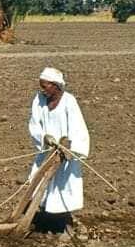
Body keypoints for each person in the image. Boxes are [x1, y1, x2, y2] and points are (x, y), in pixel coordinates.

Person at [27, 67, 90, 235]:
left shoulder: (69, 101)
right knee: (37, 182)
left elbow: (78, 129)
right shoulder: (39, 100)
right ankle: (44, 220)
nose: (42, 90)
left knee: (62, 187)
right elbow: (34, 123)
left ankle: (64, 223)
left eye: (45, 86)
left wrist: (70, 148)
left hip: (64, 155)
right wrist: (44, 137)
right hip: (46, 151)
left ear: (56, 86)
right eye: (41, 86)